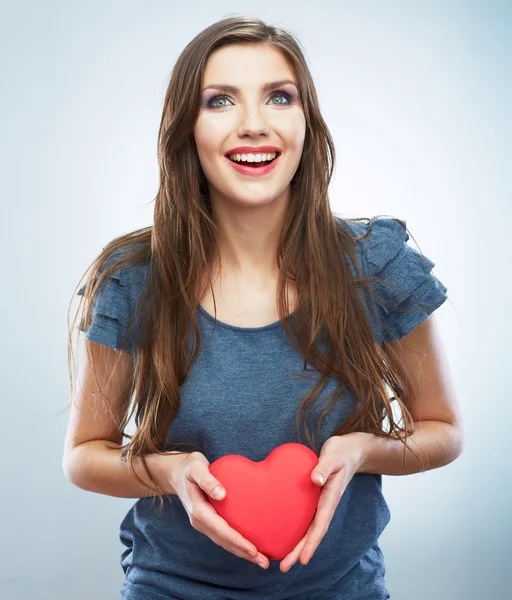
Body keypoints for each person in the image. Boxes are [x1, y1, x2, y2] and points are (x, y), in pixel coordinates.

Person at [63, 15, 464, 600]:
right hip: (172, 587)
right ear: (188, 130)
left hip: (340, 589)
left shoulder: (375, 265)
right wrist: (170, 474)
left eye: (279, 97)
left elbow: (444, 431)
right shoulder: (135, 279)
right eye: (220, 101)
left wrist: (361, 452)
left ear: (307, 124)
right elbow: (83, 455)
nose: (254, 125)